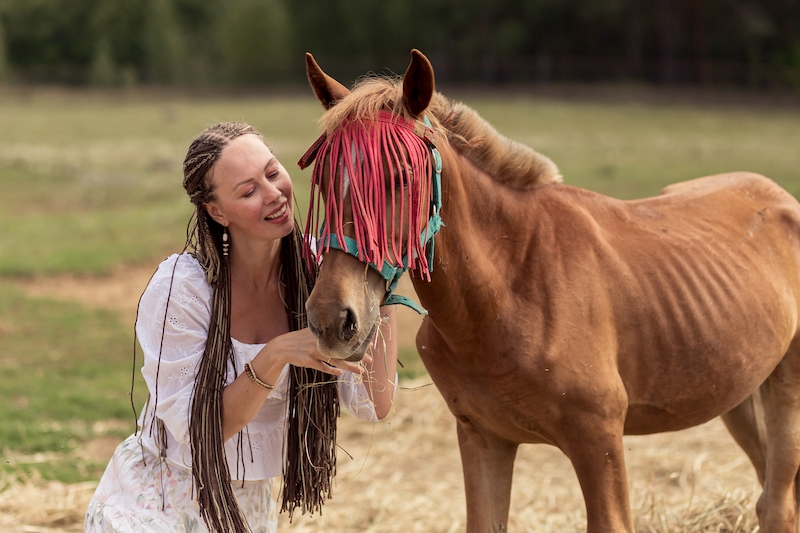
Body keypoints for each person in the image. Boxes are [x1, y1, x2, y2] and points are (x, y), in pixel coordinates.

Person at [84, 122, 398, 533]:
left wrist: (383, 280)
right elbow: (203, 432)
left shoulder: (323, 280)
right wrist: (276, 353)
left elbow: (374, 404)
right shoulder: (184, 287)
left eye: (272, 173)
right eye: (248, 191)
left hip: (244, 512)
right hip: (153, 502)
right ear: (216, 212)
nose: (273, 194)